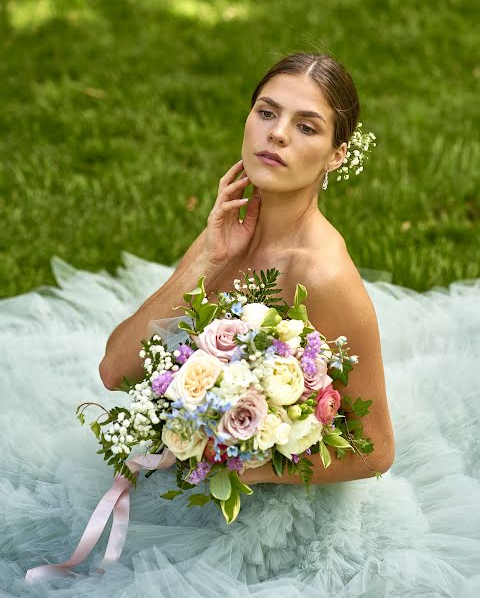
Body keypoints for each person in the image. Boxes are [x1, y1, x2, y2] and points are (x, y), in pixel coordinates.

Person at [2, 52, 479, 597]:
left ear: (336, 156)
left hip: (273, 525)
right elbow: (115, 368)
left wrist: (248, 463)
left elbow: (376, 448)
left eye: (306, 127)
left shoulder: (322, 275)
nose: (276, 135)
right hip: (186, 483)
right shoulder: (232, 229)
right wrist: (206, 260)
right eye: (266, 112)